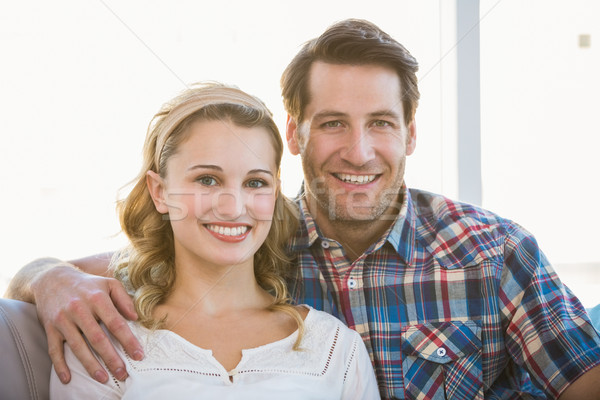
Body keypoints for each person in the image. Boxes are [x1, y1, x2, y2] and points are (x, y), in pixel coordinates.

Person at [7, 19, 600, 399]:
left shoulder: (493, 251)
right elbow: (99, 267)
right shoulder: (243, 240)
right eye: (333, 123)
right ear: (295, 133)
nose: (359, 150)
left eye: (381, 124)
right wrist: (45, 275)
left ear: (411, 134)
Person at [43, 82, 379, 398]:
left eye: (255, 183)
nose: (233, 207)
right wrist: (45, 275)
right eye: (207, 179)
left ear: (275, 194)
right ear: (159, 192)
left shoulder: (336, 348)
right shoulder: (105, 344)